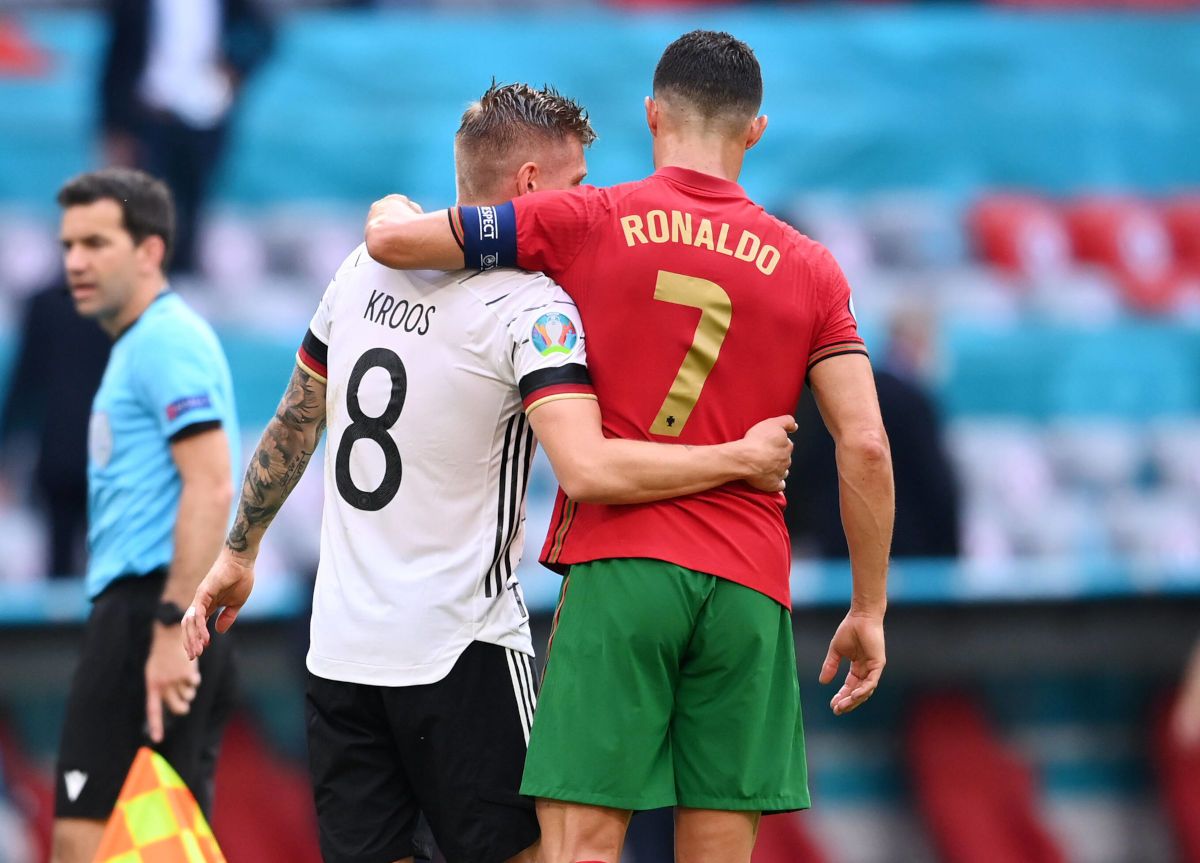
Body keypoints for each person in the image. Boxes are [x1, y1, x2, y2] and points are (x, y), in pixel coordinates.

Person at [182, 82, 794, 863]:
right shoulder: (531, 306)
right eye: (578, 185)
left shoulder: (361, 271)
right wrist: (739, 458)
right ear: (531, 188)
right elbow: (588, 467)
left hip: (340, 652)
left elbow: (296, 420)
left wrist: (239, 551)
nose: (590, 203)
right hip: (460, 649)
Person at [363, 31, 896, 863]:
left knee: (580, 849)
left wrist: (390, 212)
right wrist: (868, 609)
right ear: (754, 131)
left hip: (623, 563)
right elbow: (863, 442)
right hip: (750, 582)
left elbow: (398, 245)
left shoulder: (590, 217)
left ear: (652, 116)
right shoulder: (812, 268)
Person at [50, 168, 239, 863]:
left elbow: (212, 485)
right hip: (149, 612)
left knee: (91, 841)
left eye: (96, 242)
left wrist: (168, 629)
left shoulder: (165, 340)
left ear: (150, 250)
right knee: (151, 842)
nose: (75, 260)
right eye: (69, 244)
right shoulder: (140, 343)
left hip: (152, 613)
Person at [100, 0, 274, 274]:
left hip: (205, 112)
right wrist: (114, 125)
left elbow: (261, 34)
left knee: (192, 210)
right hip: (150, 116)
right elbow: (117, 55)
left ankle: (183, 279)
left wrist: (234, 68)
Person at [0, 283, 110, 577]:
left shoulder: (43, 303)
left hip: (63, 452)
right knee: (105, 557)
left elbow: (24, 384)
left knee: (62, 558)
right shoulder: (118, 303)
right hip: (103, 451)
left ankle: (64, 620)